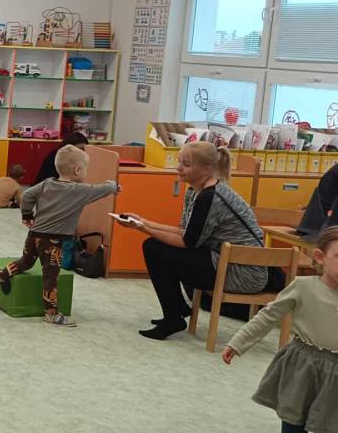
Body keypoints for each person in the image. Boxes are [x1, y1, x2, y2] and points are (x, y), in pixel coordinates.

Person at [119, 142, 271, 341]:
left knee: (154, 249)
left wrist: (143, 228)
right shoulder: (195, 191)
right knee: (155, 246)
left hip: (243, 272)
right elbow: (186, 232)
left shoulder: (210, 197)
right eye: (179, 162)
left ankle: (174, 316)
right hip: (223, 260)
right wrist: (143, 221)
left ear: (206, 170)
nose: (178, 168)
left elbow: (187, 242)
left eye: (186, 164)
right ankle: (177, 309)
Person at [0, 146, 118, 327]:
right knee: (50, 276)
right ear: (78, 170)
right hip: (54, 241)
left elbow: (28, 195)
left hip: (34, 234)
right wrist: (114, 185)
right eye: (86, 168)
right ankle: (51, 314)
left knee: (26, 261)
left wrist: (27, 215)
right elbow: (102, 189)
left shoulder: (47, 183)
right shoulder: (79, 190)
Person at [223, 227, 338, 433]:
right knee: (293, 422)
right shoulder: (303, 287)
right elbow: (268, 316)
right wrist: (238, 342)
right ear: (320, 257)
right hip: (302, 366)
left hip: (335, 375)